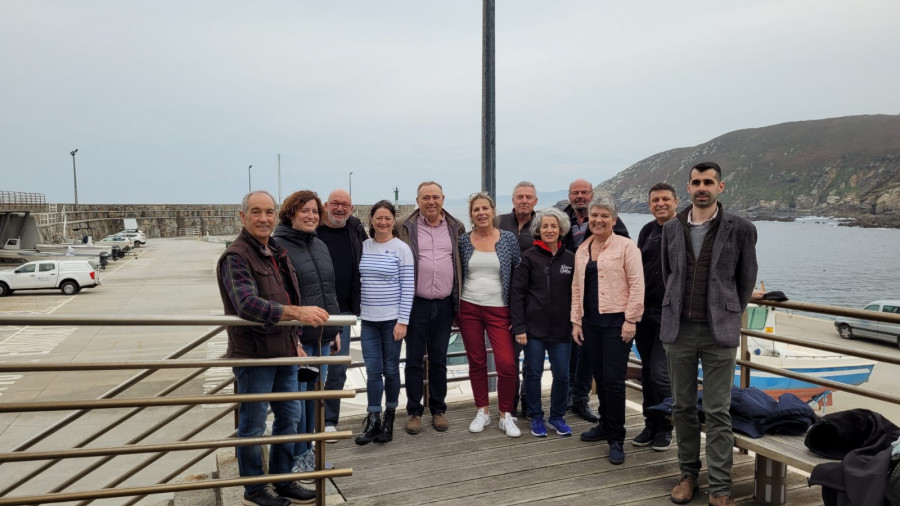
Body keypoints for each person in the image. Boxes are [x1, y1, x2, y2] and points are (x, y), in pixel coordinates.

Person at [217, 190, 322, 506]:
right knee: (252, 425)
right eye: (256, 212)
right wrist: (297, 315)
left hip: (285, 351)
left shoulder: (276, 251)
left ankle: (283, 479)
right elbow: (247, 303)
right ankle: (255, 489)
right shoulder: (236, 256)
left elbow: (289, 297)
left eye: (269, 212)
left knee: (289, 418)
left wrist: (296, 339)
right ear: (242, 217)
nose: (264, 218)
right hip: (254, 355)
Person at [661, 161, 758, 506]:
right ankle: (688, 475)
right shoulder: (671, 229)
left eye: (708, 182)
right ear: (687, 188)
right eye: (696, 182)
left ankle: (720, 487)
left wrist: (729, 311)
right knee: (684, 407)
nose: (701, 187)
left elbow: (746, 281)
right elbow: (668, 272)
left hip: (720, 332)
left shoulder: (741, 229)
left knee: (718, 410)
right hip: (680, 330)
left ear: (721, 187)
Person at [571, 195, 644, 465]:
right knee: (600, 378)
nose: (598, 220)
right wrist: (576, 321)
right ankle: (604, 424)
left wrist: (631, 320)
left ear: (614, 219)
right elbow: (577, 288)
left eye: (604, 215)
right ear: (588, 219)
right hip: (590, 323)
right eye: (594, 215)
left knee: (613, 382)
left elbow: (637, 286)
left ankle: (617, 437)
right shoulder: (582, 249)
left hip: (617, 324)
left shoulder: (627, 247)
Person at [272, 190, 341, 475]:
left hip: (322, 339)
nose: (311, 216)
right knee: (295, 406)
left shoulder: (319, 245)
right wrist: (294, 338)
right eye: (305, 211)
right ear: (291, 214)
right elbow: (281, 295)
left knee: (314, 400)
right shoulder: (278, 247)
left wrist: (333, 329)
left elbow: (328, 291)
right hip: (298, 341)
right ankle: (295, 460)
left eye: (314, 211)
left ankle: (308, 454)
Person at [396, 181, 465, 434]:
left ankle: (438, 410)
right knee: (413, 360)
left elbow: (460, 264)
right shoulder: (404, 226)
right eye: (426, 197)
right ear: (418, 200)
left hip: (445, 304)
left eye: (435, 197)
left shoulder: (456, 227)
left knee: (439, 360)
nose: (431, 202)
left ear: (443, 199)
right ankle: (414, 412)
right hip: (415, 304)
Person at [562, 178, 630, 424]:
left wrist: (631, 317)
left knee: (591, 359)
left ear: (591, 194)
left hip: (605, 303)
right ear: (570, 196)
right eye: (575, 193)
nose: (579, 196)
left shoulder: (613, 224)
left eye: (584, 192)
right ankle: (569, 398)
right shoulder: (563, 219)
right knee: (571, 350)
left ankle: (583, 400)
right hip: (571, 296)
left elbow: (626, 260)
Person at [458, 192, 522, 437]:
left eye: (485, 208)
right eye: (476, 210)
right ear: (471, 215)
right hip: (469, 308)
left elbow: (517, 277)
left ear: (493, 212)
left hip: (500, 309)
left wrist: (516, 314)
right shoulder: (464, 241)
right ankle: (482, 411)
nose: (481, 213)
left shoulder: (507, 239)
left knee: (506, 363)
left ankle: (505, 414)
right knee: (477, 362)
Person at [510, 207, 575, 438]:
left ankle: (557, 416)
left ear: (561, 230)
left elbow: (577, 294)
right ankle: (536, 416)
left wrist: (576, 323)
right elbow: (517, 294)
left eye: (553, 226)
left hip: (562, 330)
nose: (549, 230)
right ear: (539, 229)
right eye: (545, 226)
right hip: (533, 329)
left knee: (563, 374)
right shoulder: (528, 257)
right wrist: (519, 327)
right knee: (533, 373)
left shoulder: (570, 258)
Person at [355, 200, 415, 445]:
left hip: (392, 320)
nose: (382, 222)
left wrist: (403, 321)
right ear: (371, 220)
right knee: (373, 371)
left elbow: (408, 287)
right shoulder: (364, 246)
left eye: (387, 218)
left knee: (390, 370)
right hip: (368, 319)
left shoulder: (401, 248)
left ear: (393, 221)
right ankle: (373, 419)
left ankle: (390, 416)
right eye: (378, 218)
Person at [315, 189, 368, 441]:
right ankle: (310, 421)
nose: (340, 208)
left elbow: (369, 256)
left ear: (351, 207)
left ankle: (328, 421)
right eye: (335, 203)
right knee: (315, 369)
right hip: (316, 310)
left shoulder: (355, 228)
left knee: (337, 369)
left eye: (345, 204)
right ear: (325, 205)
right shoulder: (313, 229)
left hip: (344, 311)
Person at [632, 183, 678, 451]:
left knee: (661, 372)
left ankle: (666, 425)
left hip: (670, 313)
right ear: (649, 204)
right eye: (655, 200)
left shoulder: (682, 229)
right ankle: (650, 423)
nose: (660, 204)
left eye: (665, 199)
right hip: (644, 312)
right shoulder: (647, 231)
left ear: (675, 201)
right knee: (647, 371)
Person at [498, 181, 539, 418]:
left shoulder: (543, 224)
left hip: (536, 302)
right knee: (509, 360)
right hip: (505, 303)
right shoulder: (500, 223)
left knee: (532, 361)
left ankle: (529, 404)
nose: (524, 200)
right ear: (513, 200)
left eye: (528, 197)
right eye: (520, 196)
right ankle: (508, 406)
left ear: (535, 201)